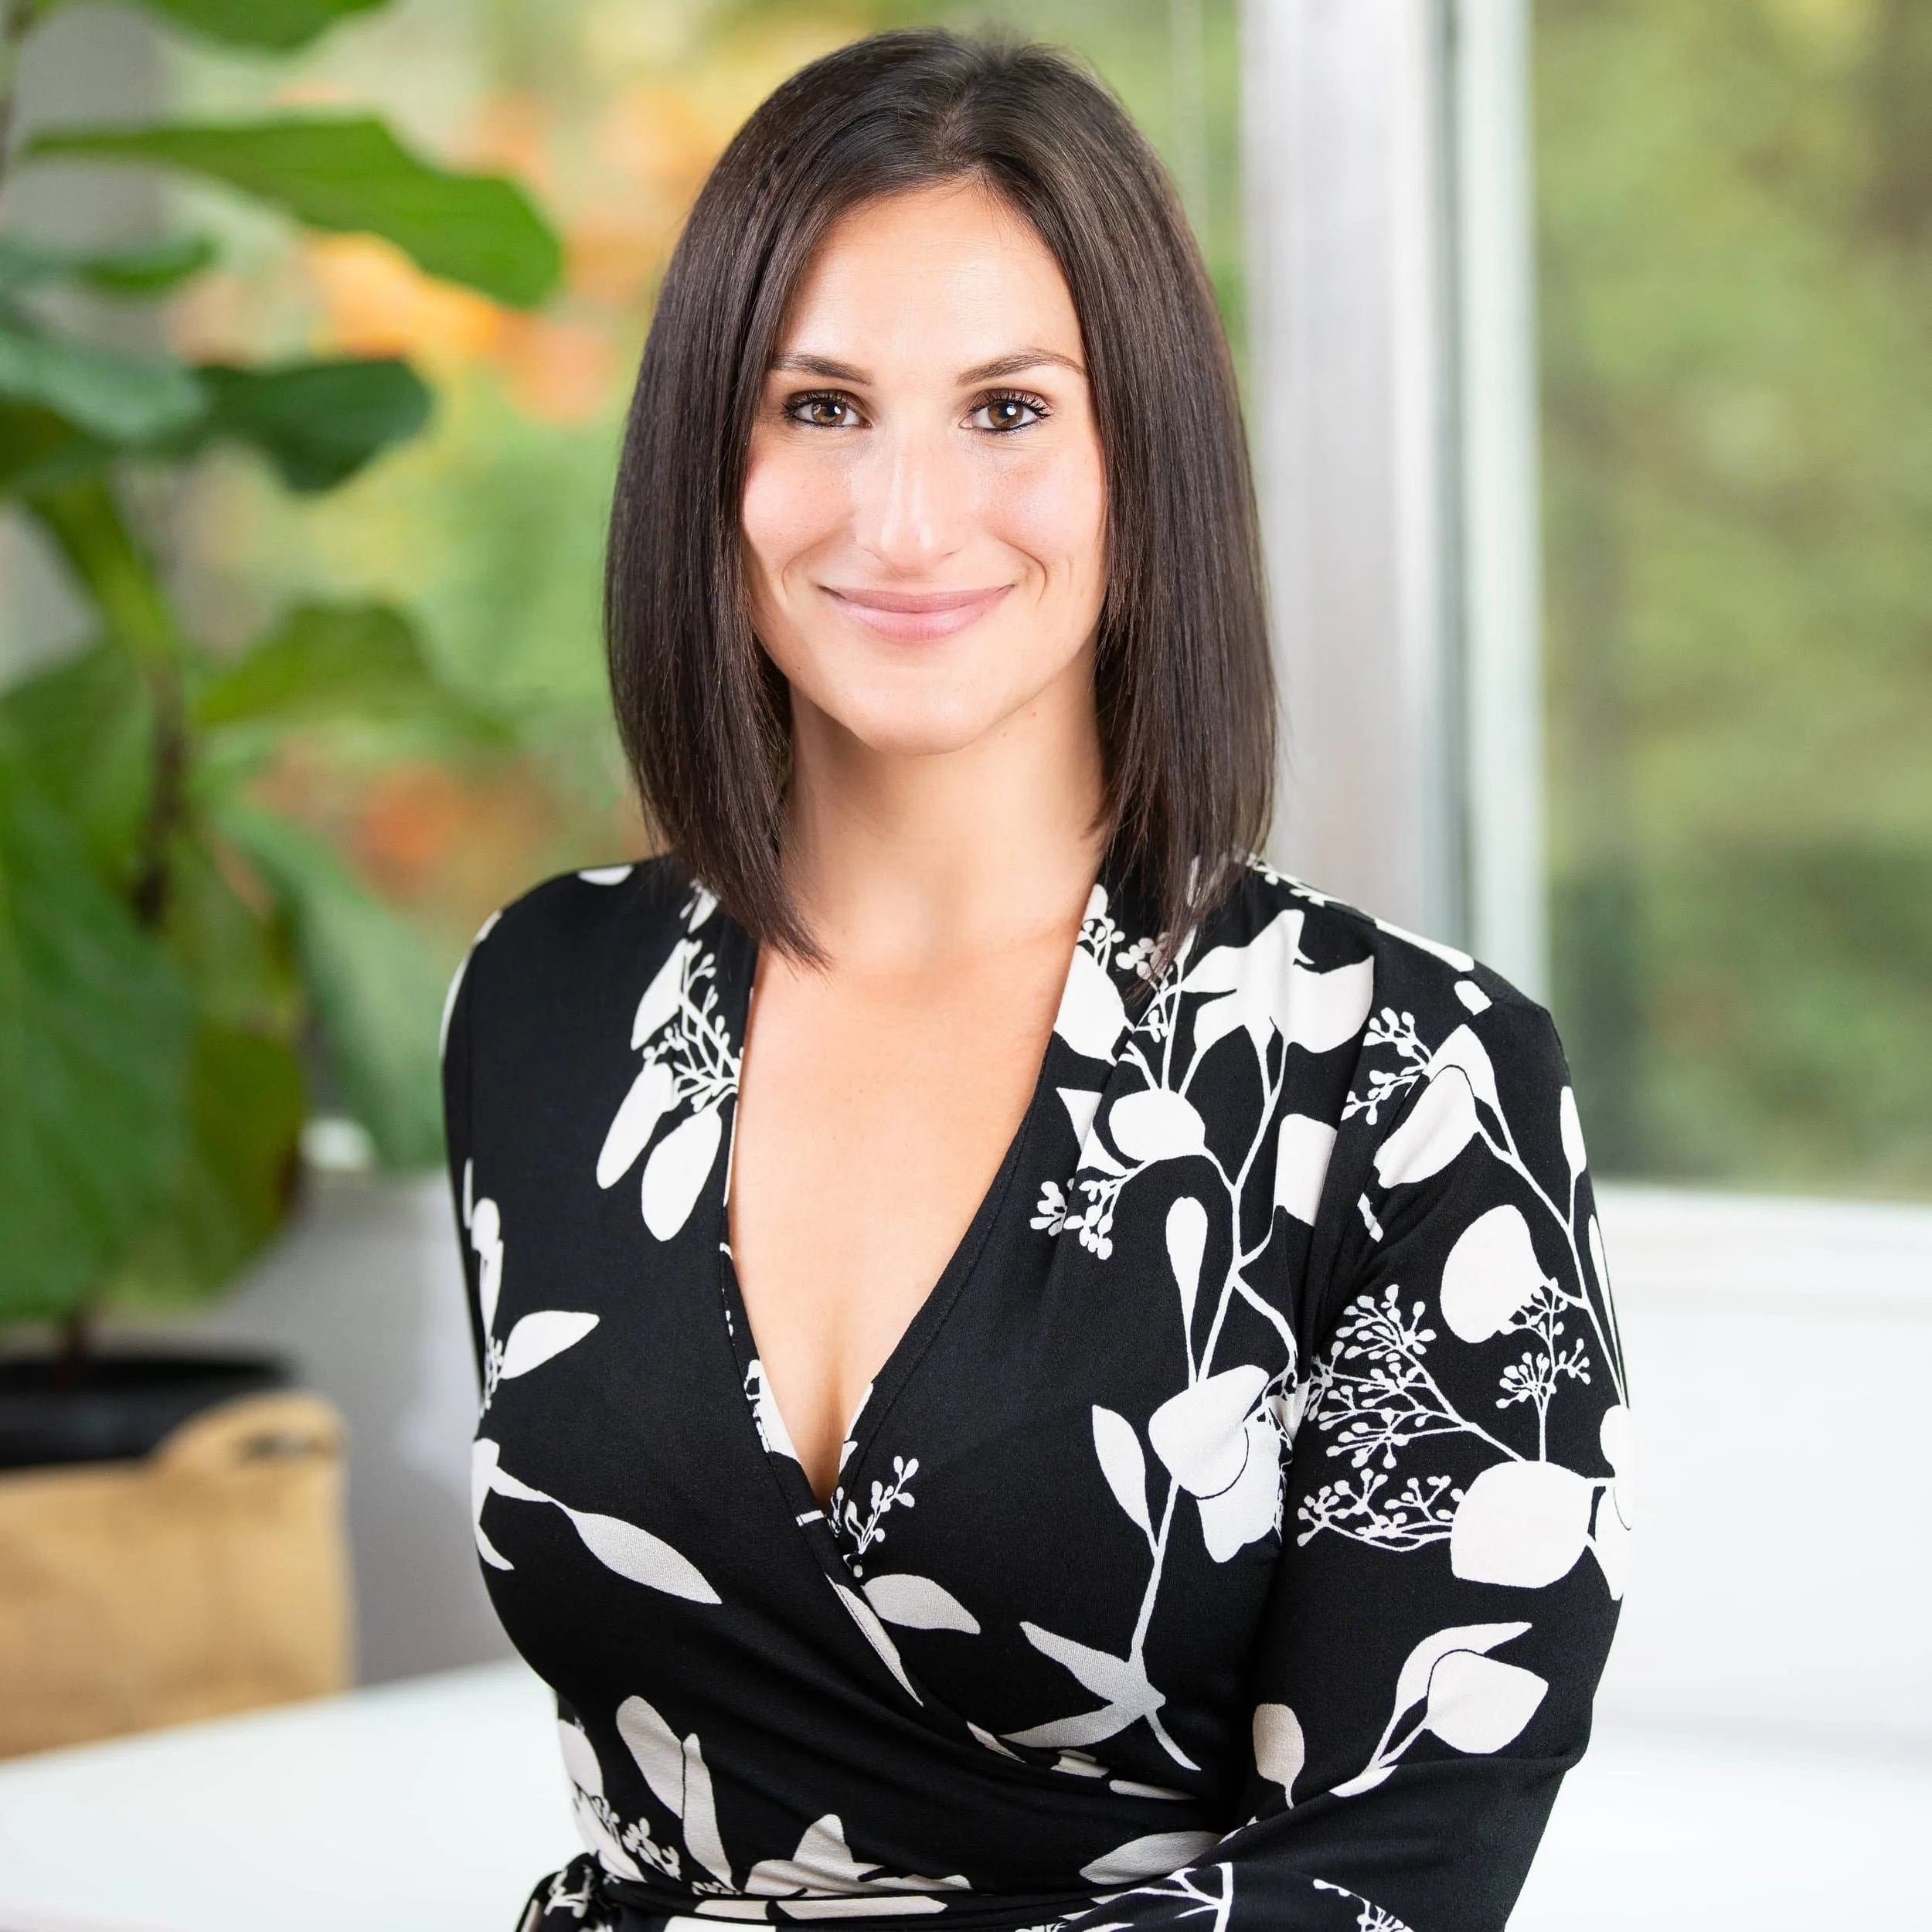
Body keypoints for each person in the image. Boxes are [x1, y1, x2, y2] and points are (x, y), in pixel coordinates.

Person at [440, 30, 1628, 1932]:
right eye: (817, 406)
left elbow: (1402, 1865)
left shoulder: (1408, 1072)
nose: (902, 520)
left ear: (1134, 459)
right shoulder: (542, 998)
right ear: (705, 460)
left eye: (1006, 410)